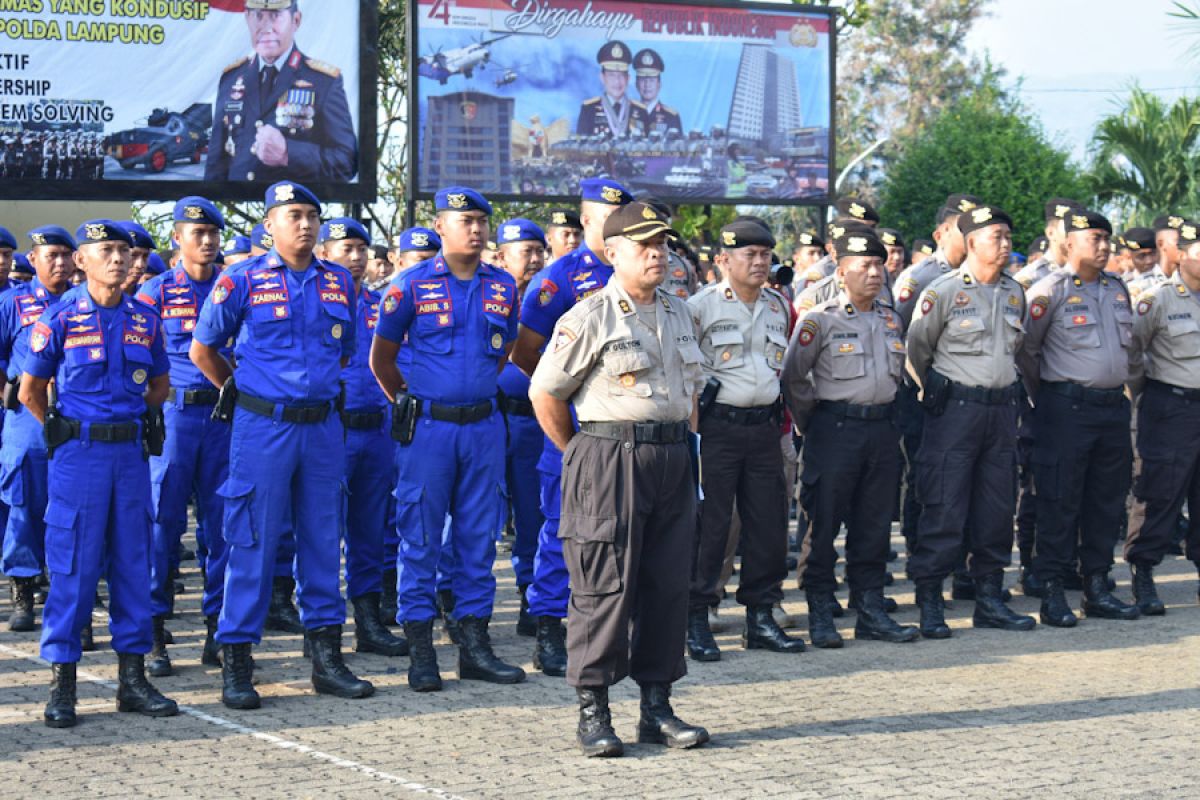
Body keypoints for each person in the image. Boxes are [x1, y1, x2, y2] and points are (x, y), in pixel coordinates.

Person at [529, 200, 709, 758]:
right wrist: (581, 455)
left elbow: (691, 393)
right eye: (644, 245)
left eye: (663, 244)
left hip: (673, 457)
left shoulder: (681, 313)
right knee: (604, 586)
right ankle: (593, 711)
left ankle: (656, 708)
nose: (659, 254)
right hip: (610, 458)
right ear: (613, 253)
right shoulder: (589, 316)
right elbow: (546, 393)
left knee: (666, 586)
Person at [191, 181, 373, 709]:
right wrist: (242, 389)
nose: (306, 224)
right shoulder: (241, 279)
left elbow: (344, 355)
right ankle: (238, 659)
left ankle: (326, 657)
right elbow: (204, 349)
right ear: (269, 224)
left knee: (322, 539)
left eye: (313, 215)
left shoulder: (339, 280)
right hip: (262, 427)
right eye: (293, 214)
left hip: (321, 429)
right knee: (251, 540)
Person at [21, 220, 178, 728]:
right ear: (83, 261)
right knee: (73, 568)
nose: (119, 260)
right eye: (105, 251)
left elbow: (158, 385)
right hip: (79, 457)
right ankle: (62, 685)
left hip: (130, 456)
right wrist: (67, 429)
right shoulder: (59, 316)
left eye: (124, 251)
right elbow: (30, 390)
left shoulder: (145, 318)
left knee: (134, 562)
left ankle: (132, 680)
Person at [370, 187, 525, 692]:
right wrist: (410, 402)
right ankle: (421, 648)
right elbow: (382, 359)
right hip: (430, 429)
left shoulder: (502, 285)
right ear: (440, 228)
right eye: (465, 221)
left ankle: (474, 644)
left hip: (483, 427)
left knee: (478, 540)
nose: (476, 230)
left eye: (482, 221)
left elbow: (501, 357)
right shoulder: (409, 286)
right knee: (420, 537)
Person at [510, 177, 633, 680]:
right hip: (575, 430)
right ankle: (547, 628)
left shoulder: (641, 274)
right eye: (608, 219)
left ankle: (606, 628)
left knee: (622, 536)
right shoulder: (559, 279)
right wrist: (566, 388)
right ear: (586, 221)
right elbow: (523, 350)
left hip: (628, 429)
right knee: (563, 531)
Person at [783, 227, 919, 648]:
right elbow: (793, 378)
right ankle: (820, 609)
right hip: (833, 429)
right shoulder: (819, 320)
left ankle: (871, 608)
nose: (875, 273)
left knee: (874, 525)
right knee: (823, 524)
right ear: (842, 273)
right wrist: (815, 422)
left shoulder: (891, 318)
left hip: (881, 430)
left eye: (879, 264)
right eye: (865, 265)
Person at [905, 204, 1035, 638]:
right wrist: (938, 392)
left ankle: (990, 597)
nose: (1005, 244)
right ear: (972, 240)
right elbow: (917, 351)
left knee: (997, 507)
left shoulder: (1015, 293)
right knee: (944, 504)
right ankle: (929, 599)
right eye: (996, 236)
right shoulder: (942, 291)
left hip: (1001, 413)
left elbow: (1017, 353)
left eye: (1008, 237)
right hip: (954, 411)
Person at [686, 219, 803, 661]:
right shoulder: (699, 307)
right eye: (748, 255)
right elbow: (686, 375)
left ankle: (760, 615)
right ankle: (696, 616)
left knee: (769, 525)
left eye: (765, 254)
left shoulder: (777, 305)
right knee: (710, 526)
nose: (759, 262)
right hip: (717, 429)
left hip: (763, 429)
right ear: (722, 260)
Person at [1018, 209, 1140, 626]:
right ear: (1069, 242)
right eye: (1095, 239)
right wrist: (1052, 396)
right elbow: (1027, 353)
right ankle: (1052, 590)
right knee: (1058, 500)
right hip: (1064, 410)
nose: (1104, 247)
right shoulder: (1047, 291)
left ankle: (1098, 586)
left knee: (1105, 503)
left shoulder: (1117, 289)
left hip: (1111, 409)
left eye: (1108, 239)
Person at [135, 197, 234, 675]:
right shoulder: (155, 292)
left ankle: (218, 627)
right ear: (177, 238)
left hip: (224, 420)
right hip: (176, 420)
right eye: (198, 233)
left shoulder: (234, 286)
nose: (208, 241)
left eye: (214, 233)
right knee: (162, 524)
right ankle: (154, 629)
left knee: (223, 526)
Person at [314, 217, 410, 657]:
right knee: (320, 532)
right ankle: (321, 631)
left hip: (377, 431)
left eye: (360, 249)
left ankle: (368, 620)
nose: (355, 257)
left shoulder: (382, 304)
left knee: (369, 530)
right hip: (330, 430)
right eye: (344, 248)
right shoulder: (313, 300)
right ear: (324, 254)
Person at [0, 226, 74, 633]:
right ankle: (23, 591)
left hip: (76, 416)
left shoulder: (85, 303)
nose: (60, 263)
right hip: (27, 419)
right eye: (52, 256)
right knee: (24, 507)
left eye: (66, 255)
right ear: (34, 259)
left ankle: (64, 586)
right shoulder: (12, 303)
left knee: (71, 507)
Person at [1125, 219, 1200, 607]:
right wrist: (1149, 393)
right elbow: (1132, 353)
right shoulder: (1157, 300)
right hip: (1170, 406)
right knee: (1160, 492)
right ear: (1182, 255)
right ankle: (1144, 572)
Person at [205, 0, 357, 182]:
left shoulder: (324, 81)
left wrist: (288, 153)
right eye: (258, 16)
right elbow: (215, 167)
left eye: (276, 16)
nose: (266, 27)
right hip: (237, 204)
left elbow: (347, 162)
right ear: (247, 18)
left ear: (296, 20)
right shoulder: (231, 79)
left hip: (291, 205)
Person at [492, 218, 548, 646]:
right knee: (476, 516)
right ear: (501, 255)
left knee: (533, 514)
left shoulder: (552, 298)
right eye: (524, 250)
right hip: (489, 418)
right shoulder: (485, 294)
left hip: (533, 420)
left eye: (537, 250)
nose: (533, 258)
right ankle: (457, 601)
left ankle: (532, 596)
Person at [576, 41, 647, 138]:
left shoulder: (640, 111)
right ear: (602, 78)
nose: (617, 81)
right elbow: (580, 150)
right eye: (611, 75)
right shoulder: (588, 110)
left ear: (628, 79)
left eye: (621, 75)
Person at [1013, 199, 1081, 290]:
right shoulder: (1031, 277)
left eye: (1080, 230)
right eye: (1069, 229)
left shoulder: (1086, 273)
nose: (1076, 235)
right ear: (1051, 233)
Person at [632, 48, 682, 136]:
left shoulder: (671, 117)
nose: (647, 85)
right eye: (643, 79)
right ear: (636, 84)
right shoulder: (629, 114)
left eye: (651, 80)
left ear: (659, 84)